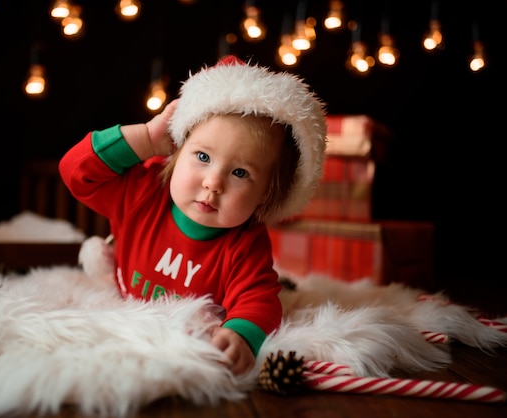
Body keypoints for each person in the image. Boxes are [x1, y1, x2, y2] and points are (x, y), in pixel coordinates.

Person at [59, 55, 327, 375]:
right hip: (125, 322)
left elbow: (260, 300)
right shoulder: (144, 193)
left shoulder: (244, 242)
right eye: (202, 156)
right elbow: (75, 172)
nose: (213, 183)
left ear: (266, 194)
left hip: (177, 348)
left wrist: (240, 334)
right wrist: (145, 139)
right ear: (177, 149)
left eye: (240, 173)